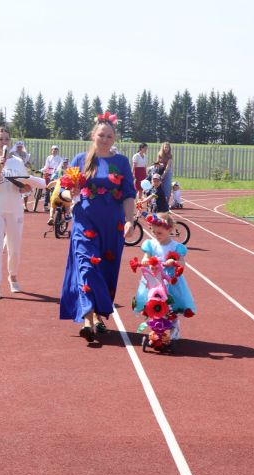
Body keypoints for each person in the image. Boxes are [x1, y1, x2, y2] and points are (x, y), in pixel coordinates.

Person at [59, 112, 136, 342]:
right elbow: (61, 192)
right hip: (85, 221)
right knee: (86, 265)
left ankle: (97, 315)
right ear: (94, 135)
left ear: (115, 139)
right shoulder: (81, 159)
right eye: (101, 135)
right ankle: (88, 317)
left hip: (112, 225)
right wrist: (68, 193)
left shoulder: (121, 162)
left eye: (109, 136)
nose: (105, 139)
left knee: (104, 269)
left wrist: (130, 219)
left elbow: (129, 194)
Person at [0, 127, 31, 299]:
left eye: (6, 139)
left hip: (15, 209)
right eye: (0, 139)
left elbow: (26, 187)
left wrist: (24, 187)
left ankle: (13, 277)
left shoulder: (17, 162)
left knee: (14, 248)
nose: (4, 142)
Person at [132, 212, 196, 342]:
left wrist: (175, 262)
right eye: (154, 232)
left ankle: (174, 327)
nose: (156, 235)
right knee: (152, 303)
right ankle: (155, 328)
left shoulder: (176, 247)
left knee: (171, 304)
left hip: (170, 280)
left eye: (160, 233)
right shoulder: (151, 244)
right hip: (155, 279)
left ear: (170, 230)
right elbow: (147, 257)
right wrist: (145, 260)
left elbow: (183, 263)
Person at [46, 158, 72, 226]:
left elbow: (51, 183)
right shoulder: (59, 170)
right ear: (62, 163)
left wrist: (48, 188)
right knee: (67, 204)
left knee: (53, 205)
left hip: (58, 186)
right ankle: (67, 215)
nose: (65, 164)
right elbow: (53, 176)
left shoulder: (69, 171)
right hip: (64, 189)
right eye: (64, 162)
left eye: (66, 162)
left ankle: (51, 217)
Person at [13, 141, 34, 211]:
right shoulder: (12, 154)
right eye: (18, 147)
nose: (19, 148)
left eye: (21, 147)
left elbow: (28, 163)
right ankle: (16, 205)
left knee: (25, 188)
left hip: (24, 173)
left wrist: (29, 168)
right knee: (16, 189)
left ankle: (25, 205)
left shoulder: (26, 155)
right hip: (15, 173)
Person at [41, 145, 64, 209]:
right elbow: (46, 166)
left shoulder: (60, 159)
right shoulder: (48, 157)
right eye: (53, 149)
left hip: (55, 174)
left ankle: (53, 203)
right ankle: (45, 204)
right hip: (48, 173)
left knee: (54, 189)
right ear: (51, 150)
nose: (54, 150)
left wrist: (55, 172)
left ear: (58, 151)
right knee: (47, 188)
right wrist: (41, 170)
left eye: (56, 149)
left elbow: (59, 167)